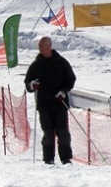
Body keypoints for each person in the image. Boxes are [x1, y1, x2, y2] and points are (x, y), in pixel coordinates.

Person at [24, 36, 77, 165]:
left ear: (49, 46)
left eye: (42, 45)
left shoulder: (61, 62)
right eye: (39, 45)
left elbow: (71, 79)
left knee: (63, 132)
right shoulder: (36, 65)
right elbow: (27, 83)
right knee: (48, 133)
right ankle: (48, 159)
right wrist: (32, 85)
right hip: (44, 105)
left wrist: (64, 91)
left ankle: (66, 159)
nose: (40, 48)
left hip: (60, 103)